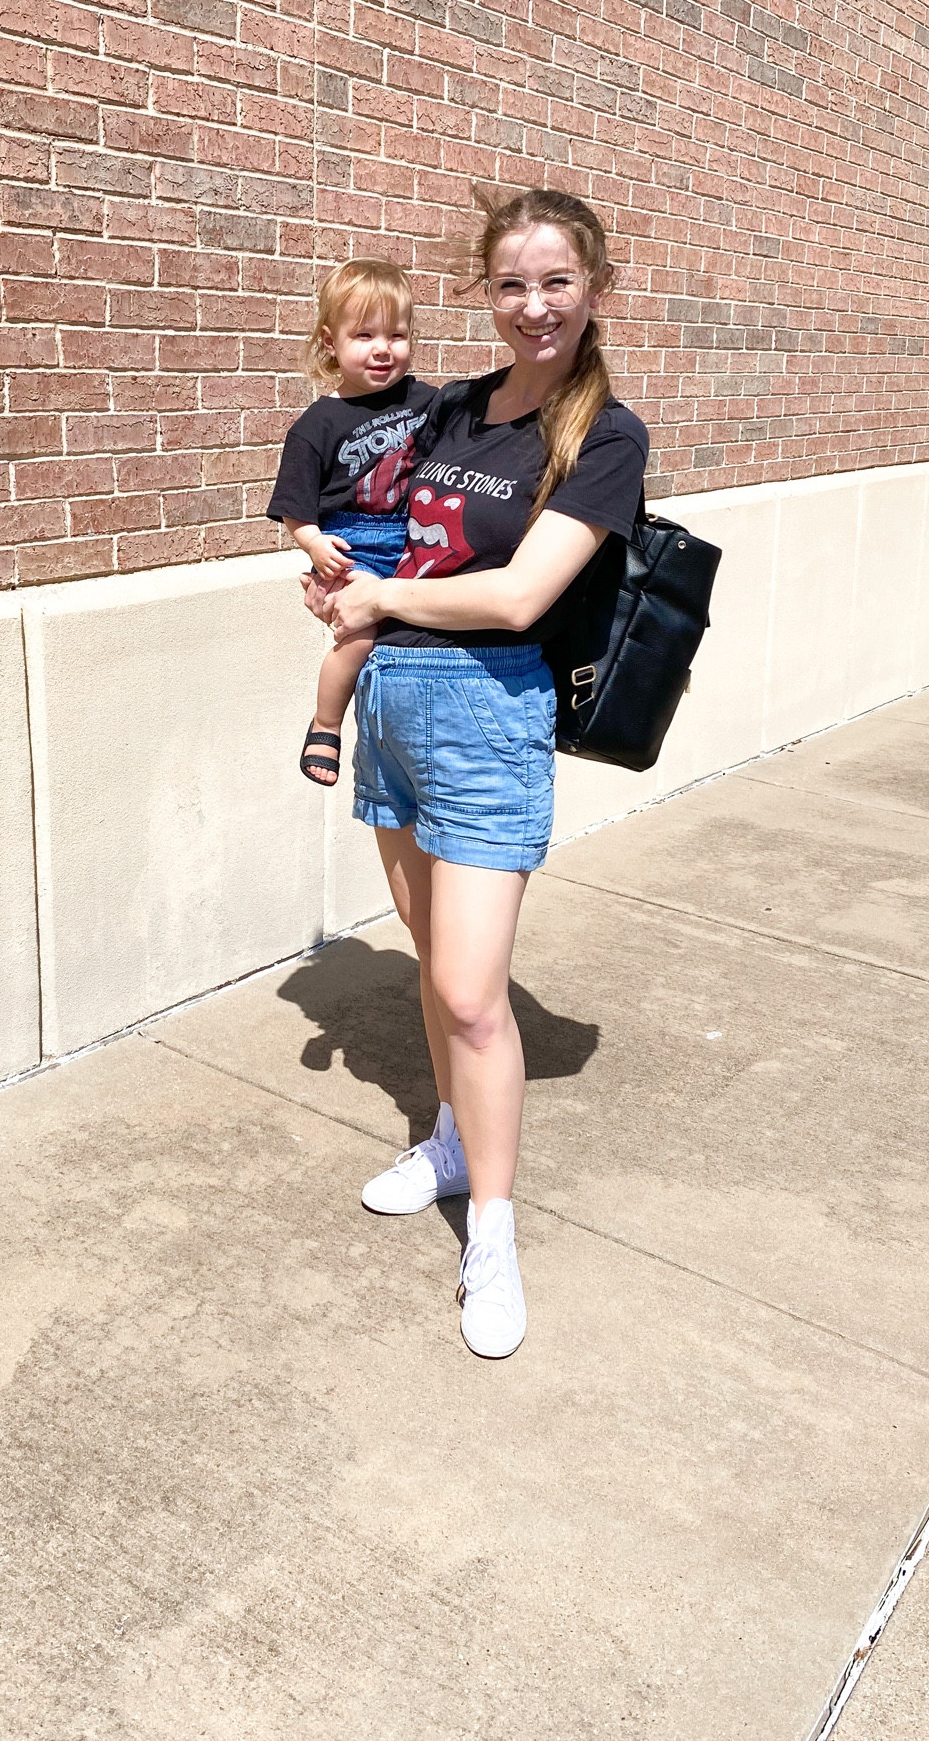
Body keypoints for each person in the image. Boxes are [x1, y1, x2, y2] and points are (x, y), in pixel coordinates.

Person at [305, 188, 648, 1358]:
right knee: (424, 954)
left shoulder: (602, 434)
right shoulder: (447, 409)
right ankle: (448, 1138)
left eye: (557, 281)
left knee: (468, 991)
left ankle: (491, 1228)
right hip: (394, 701)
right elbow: (382, 535)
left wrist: (388, 594)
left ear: (596, 287)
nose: (534, 304)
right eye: (511, 284)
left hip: (489, 713)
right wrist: (341, 578)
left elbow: (516, 595)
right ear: (485, 293)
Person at [267, 260, 437, 786]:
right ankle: (325, 724)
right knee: (358, 637)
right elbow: (295, 505)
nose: (382, 348)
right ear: (330, 342)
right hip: (353, 542)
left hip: (416, 536)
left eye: (396, 334)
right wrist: (314, 545)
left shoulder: (429, 401)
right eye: (364, 335)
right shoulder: (316, 425)